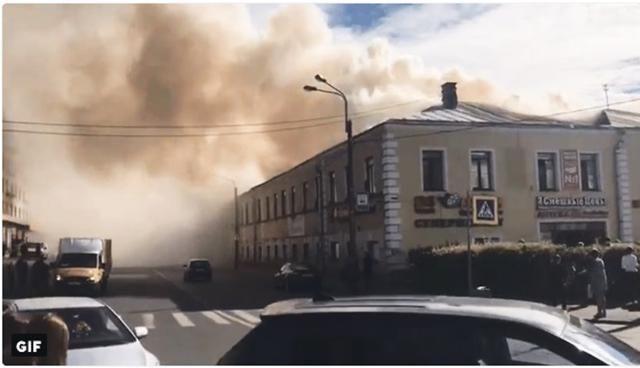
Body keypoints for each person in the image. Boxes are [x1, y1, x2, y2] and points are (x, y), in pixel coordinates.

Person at [586, 249, 608, 318]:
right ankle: (604, 312)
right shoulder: (601, 261)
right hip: (603, 280)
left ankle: (599, 312)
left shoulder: (595, 262)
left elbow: (595, 273)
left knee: (599, 297)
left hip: (597, 281)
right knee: (602, 297)